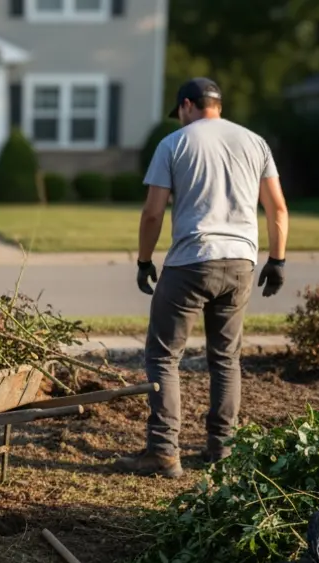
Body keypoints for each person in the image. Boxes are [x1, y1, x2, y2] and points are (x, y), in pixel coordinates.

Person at [111, 77, 290, 478]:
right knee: (226, 358)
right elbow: (277, 208)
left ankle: (162, 452)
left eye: (180, 114)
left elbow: (153, 212)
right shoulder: (255, 142)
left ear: (188, 105)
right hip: (241, 263)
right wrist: (277, 261)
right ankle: (222, 449)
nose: (180, 120)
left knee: (163, 355)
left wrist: (143, 261)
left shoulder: (175, 143)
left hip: (192, 261)